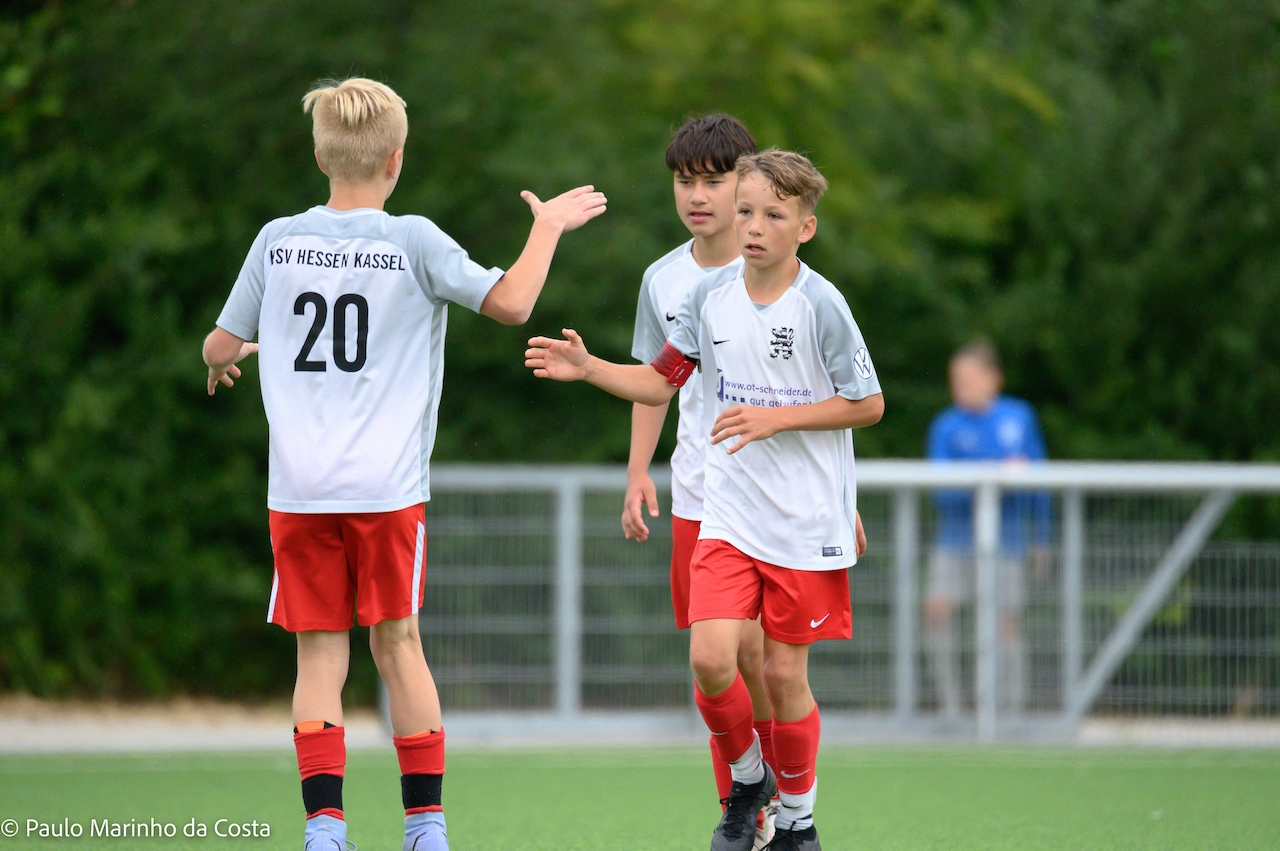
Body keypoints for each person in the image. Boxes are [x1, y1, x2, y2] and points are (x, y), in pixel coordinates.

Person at [202, 77, 606, 851]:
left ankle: (325, 829)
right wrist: (548, 226)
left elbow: (220, 343)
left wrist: (232, 355)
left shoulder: (277, 239)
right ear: (395, 161)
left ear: (319, 156)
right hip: (385, 488)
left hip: (299, 489)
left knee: (320, 654)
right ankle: (424, 827)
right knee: (398, 645)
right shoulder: (411, 239)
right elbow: (513, 303)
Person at [525, 149, 882, 851]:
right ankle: (749, 780)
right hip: (728, 513)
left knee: (782, 674)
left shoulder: (822, 304)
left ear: (805, 227)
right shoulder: (704, 297)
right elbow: (661, 382)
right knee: (712, 660)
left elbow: (867, 404)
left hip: (803, 520)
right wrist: (590, 367)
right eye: (745, 211)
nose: (753, 226)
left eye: (772, 215)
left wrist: (778, 419)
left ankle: (799, 822)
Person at [624, 113, 785, 844]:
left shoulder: (778, 272)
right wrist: (638, 471)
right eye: (684, 181)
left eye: (713, 181)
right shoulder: (662, 279)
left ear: (745, 184)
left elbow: (815, 388)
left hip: (771, 495)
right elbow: (653, 383)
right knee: (714, 661)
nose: (697, 195)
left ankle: (780, 799)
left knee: (755, 657)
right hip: (697, 494)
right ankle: (746, 806)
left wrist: (837, 494)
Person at [924, 339, 1051, 717]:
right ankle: (951, 709)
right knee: (936, 612)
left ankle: (1010, 711)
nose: (960, 387)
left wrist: (1042, 540)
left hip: (1007, 543)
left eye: (967, 379)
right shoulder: (946, 425)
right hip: (954, 541)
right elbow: (940, 490)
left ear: (993, 378)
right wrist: (995, 475)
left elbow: (1040, 483)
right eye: (955, 380)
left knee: (1005, 621)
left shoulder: (1019, 417)